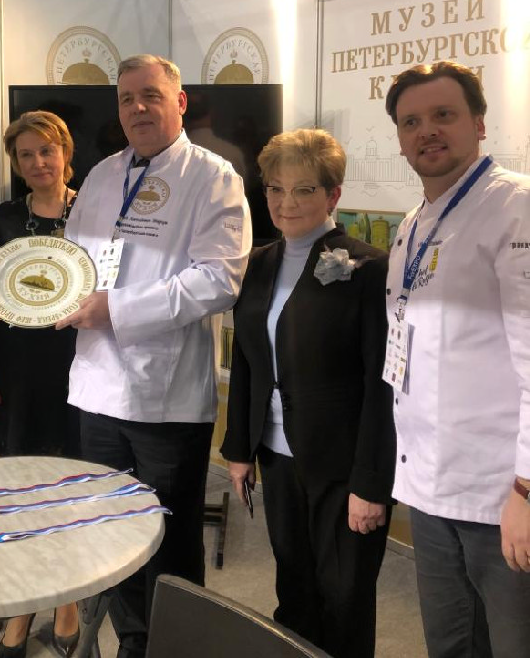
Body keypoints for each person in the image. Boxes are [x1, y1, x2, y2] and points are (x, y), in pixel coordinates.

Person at [57, 54, 251, 658]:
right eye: (126, 98)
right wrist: (14, 291)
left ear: (180, 101)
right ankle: (133, 643)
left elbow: (218, 280)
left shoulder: (213, 177)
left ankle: (175, 648)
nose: (137, 108)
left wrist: (116, 309)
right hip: (97, 387)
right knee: (112, 534)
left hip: (164, 399)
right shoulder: (101, 175)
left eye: (150, 95)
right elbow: (69, 263)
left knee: (168, 539)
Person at [221, 129, 395, 658]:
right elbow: (247, 360)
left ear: (332, 194)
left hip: (343, 465)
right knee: (293, 586)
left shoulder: (368, 268)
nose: (285, 202)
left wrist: (372, 484)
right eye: (276, 189)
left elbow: (382, 386)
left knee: (344, 596)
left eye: (303, 190)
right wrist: (238, 449)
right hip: (277, 457)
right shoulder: (258, 263)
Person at [384, 61, 530, 658]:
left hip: (502, 495)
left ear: (479, 123)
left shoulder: (515, 207)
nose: (427, 131)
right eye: (411, 122)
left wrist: (526, 490)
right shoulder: (413, 225)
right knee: (450, 645)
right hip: (430, 488)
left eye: (443, 114)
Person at [0, 111, 80, 658]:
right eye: (25, 155)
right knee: (23, 484)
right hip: (16, 366)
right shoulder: (6, 217)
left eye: (46, 150)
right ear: (16, 164)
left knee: (69, 482)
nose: (38, 162)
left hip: (80, 364)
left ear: (65, 152)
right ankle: (23, 601)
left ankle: (67, 598)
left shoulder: (94, 209)